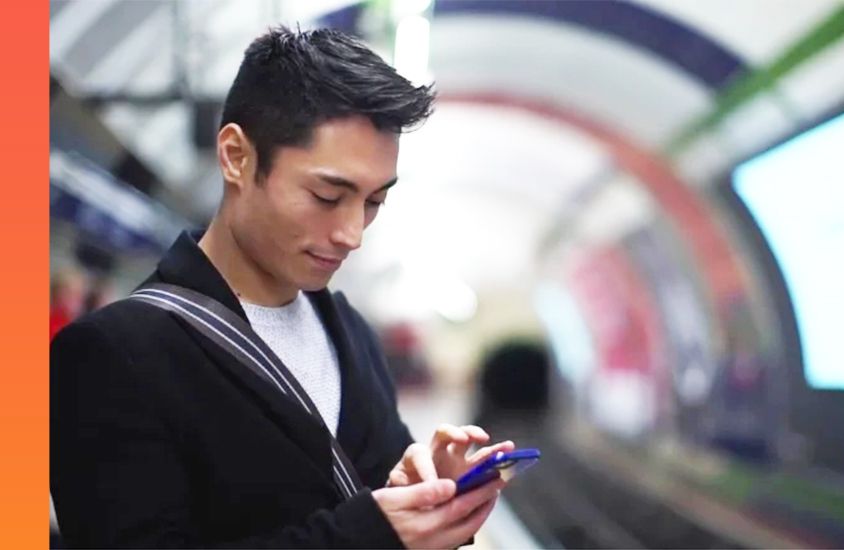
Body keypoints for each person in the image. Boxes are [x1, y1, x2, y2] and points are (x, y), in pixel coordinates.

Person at [50, 26, 515, 549]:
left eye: (373, 202)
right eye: (326, 194)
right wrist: (368, 535)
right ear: (236, 157)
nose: (352, 234)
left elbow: (379, 502)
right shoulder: (114, 355)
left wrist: (430, 497)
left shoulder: (348, 331)